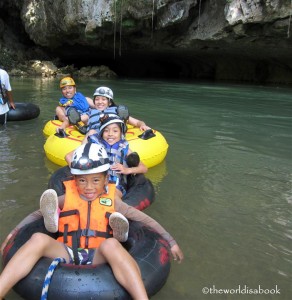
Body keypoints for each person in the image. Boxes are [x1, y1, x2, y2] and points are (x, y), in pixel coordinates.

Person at [0, 143, 184, 300]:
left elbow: (145, 219)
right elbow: (36, 215)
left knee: (112, 244)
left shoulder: (114, 201)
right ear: (74, 180)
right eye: (82, 181)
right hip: (66, 250)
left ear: (105, 179)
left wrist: (171, 242)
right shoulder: (66, 198)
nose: (88, 187)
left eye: (95, 180)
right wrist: (12, 234)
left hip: (98, 253)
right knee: (38, 239)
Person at [66, 116, 148, 198]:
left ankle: (116, 208)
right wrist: (79, 171)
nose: (110, 134)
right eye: (106, 131)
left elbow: (144, 168)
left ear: (121, 133)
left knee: (113, 197)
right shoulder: (93, 145)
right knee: (80, 195)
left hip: (115, 184)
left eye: (115, 131)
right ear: (101, 133)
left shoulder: (123, 148)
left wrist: (127, 170)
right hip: (93, 182)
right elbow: (68, 156)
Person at [71, 86, 150, 137]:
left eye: (103, 99)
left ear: (110, 102)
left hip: (113, 135)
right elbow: (80, 118)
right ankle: (83, 152)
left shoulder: (117, 111)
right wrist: (75, 119)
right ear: (94, 101)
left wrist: (142, 125)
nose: (100, 102)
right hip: (95, 135)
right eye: (97, 99)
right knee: (91, 132)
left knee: (117, 125)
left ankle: (123, 126)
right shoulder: (91, 112)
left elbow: (137, 122)